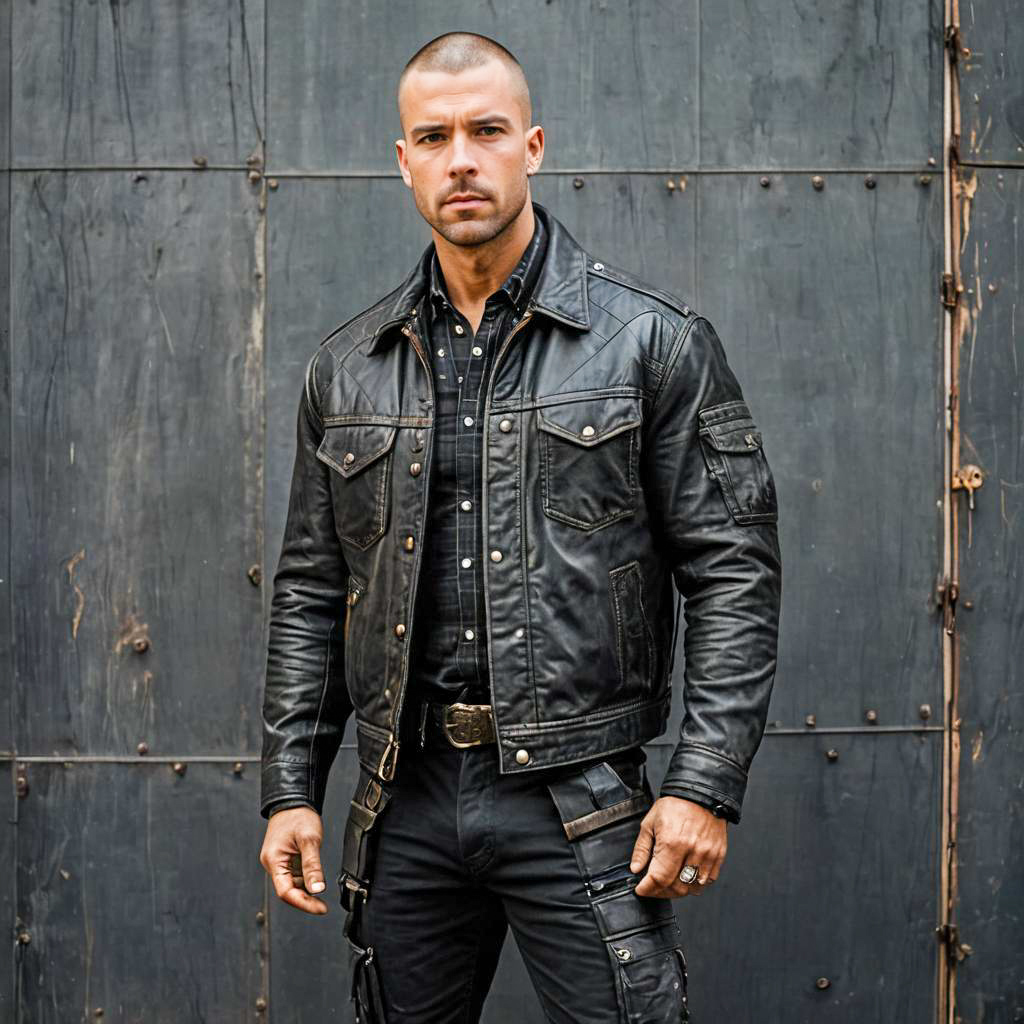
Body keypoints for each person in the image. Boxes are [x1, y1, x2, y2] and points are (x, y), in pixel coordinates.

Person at [258, 30, 782, 1024]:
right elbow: (311, 588)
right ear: (402, 160)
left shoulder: (649, 344)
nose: (463, 158)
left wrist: (704, 782)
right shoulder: (350, 369)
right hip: (402, 793)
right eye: (436, 135)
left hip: (578, 796)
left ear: (531, 145)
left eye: (487, 130)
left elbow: (733, 571)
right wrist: (290, 786)